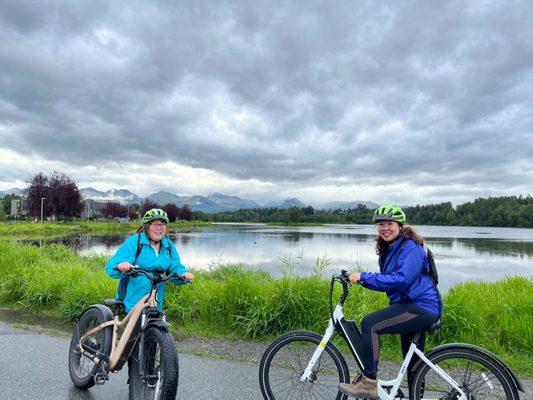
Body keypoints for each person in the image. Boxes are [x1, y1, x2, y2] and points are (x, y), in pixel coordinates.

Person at [338, 205, 442, 399]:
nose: (385, 228)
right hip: (411, 305)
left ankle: (368, 383)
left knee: (370, 324)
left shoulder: (410, 247)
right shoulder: (392, 248)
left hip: (421, 307)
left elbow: (401, 279)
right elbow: (392, 280)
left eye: (389, 224)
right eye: (380, 224)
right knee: (413, 365)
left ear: (400, 226)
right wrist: (363, 278)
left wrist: (364, 277)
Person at [105, 208, 194, 313]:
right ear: (146, 226)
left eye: (162, 224)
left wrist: (183, 274)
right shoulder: (135, 242)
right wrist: (121, 265)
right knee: (132, 327)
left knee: (155, 325)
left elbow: (175, 266)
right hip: (132, 299)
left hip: (156, 299)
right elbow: (113, 264)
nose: (159, 228)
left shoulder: (168, 246)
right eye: (154, 224)